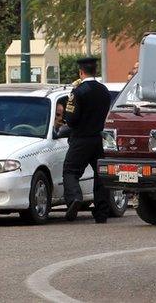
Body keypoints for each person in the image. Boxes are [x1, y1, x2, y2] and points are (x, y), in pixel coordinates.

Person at [60, 57, 112, 223]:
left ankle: (75, 198)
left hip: (81, 139)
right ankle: (101, 213)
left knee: (70, 171)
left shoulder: (78, 91)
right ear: (95, 71)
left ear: (81, 72)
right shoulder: (104, 90)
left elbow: (71, 119)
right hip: (99, 138)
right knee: (100, 175)